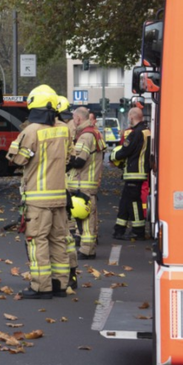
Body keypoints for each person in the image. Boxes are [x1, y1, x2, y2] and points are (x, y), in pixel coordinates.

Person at [7, 84, 71, 299]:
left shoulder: (31, 131)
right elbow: (69, 158)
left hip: (37, 197)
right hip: (60, 196)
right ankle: (60, 285)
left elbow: (17, 158)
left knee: (37, 242)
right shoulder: (64, 130)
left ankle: (41, 287)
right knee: (58, 240)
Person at [67, 107, 105, 259]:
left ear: (78, 119)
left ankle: (87, 251)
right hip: (89, 183)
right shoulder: (94, 132)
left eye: (74, 119)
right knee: (89, 219)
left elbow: (79, 161)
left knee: (86, 221)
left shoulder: (85, 136)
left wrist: (65, 161)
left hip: (83, 184)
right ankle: (87, 248)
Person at [111, 107, 152, 240]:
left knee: (134, 203)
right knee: (125, 201)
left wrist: (114, 156)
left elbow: (126, 151)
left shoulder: (136, 133)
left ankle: (138, 231)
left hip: (134, 173)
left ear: (131, 117)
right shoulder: (147, 131)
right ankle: (119, 230)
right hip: (140, 173)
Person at [55, 97, 78, 286]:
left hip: (50, 192)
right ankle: (71, 276)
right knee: (66, 235)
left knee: (53, 238)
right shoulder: (67, 130)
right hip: (64, 189)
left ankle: (61, 279)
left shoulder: (57, 130)